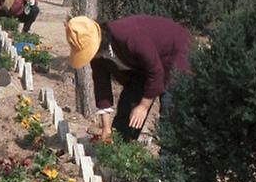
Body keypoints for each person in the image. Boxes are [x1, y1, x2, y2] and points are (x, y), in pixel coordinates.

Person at [65, 15, 193, 142]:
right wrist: (106, 127)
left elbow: (155, 71)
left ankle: (170, 157)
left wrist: (143, 106)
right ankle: (121, 145)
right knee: (129, 106)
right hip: (143, 67)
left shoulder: (128, 37)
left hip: (176, 53)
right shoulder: (98, 56)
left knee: (170, 108)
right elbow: (101, 86)